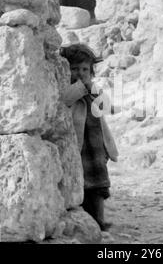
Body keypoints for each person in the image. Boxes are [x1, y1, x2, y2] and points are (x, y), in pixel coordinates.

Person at [59, 43, 119, 231]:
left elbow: (105, 105)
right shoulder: (68, 89)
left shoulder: (92, 88)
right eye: (75, 69)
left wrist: (91, 88)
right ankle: (87, 220)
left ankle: (99, 220)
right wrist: (80, 87)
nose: (80, 73)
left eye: (85, 69)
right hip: (80, 145)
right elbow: (65, 100)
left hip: (96, 143)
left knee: (99, 183)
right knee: (82, 182)